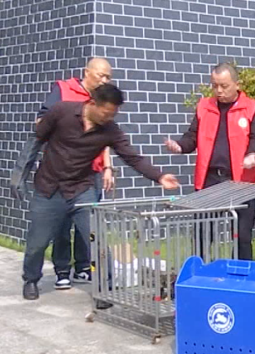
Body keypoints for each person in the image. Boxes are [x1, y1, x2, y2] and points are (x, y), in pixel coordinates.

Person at [22, 83, 179, 301]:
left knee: (97, 242)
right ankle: (31, 279)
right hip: (49, 188)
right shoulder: (61, 111)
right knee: (37, 243)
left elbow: (132, 157)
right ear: (92, 103)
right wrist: (19, 174)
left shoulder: (110, 130)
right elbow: (36, 140)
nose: (109, 118)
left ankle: (105, 289)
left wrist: (159, 177)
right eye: (106, 113)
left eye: (113, 114)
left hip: (81, 189)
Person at [13, 58, 115, 291]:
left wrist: (108, 167)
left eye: (108, 77)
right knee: (58, 226)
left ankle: (88, 272)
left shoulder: (103, 100)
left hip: (90, 173)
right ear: (86, 72)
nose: (104, 80)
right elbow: (41, 123)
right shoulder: (63, 90)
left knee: (89, 229)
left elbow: (106, 137)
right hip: (59, 173)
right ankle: (57, 272)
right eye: (100, 75)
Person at [165, 63, 255, 260]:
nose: (219, 91)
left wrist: (252, 154)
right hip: (209, 178)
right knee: (203, 233)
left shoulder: (251, 107)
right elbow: (192, 136)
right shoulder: (205, 106)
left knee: (242, 235)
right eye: (214, 85)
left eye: (224, 86)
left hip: (241, 179)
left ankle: (240, 272)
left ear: (237, 84)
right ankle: (201, 271)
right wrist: (180, 146)